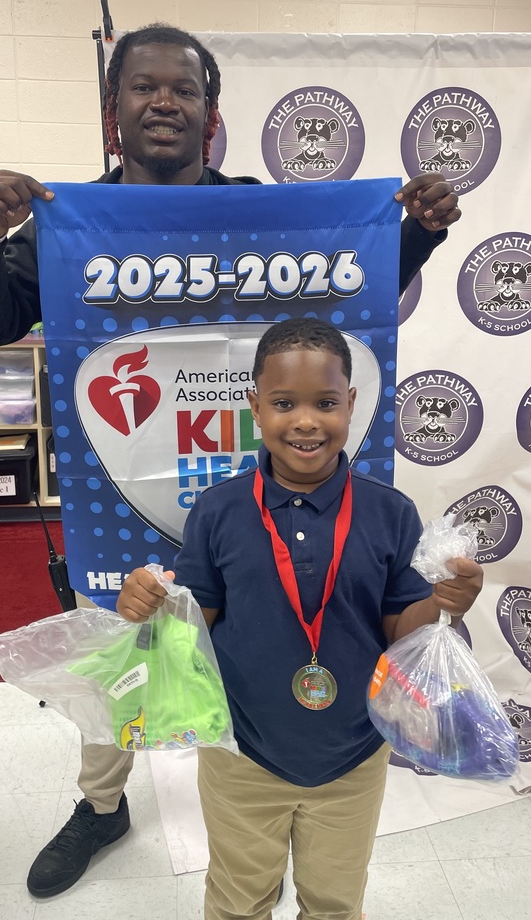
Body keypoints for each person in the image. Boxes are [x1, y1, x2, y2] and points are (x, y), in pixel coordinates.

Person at [0, 21, 463, 899]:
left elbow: (349, 276)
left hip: (262, 493)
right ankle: (102, 805)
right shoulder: (69, 226)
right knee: (130, 659)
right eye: (143, 87)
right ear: (113, 111)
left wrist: (411, 231)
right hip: (124, 498)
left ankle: (281, 774)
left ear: (210, 113)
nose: (164, 102)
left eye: (183, 89)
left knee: (273, 641)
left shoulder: (254, 208)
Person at [118, 317, 484, 920]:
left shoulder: (391, 514)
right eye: (285, 403)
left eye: (326, 403)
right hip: (242, 752)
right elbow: (195, 627)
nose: (307, 420)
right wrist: (149, 605)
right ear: (255, 408)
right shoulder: (218, 511)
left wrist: (441, 604)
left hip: (353, 754)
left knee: (336, 901)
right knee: (238, 899)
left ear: (352, 405)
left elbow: (400, 631)